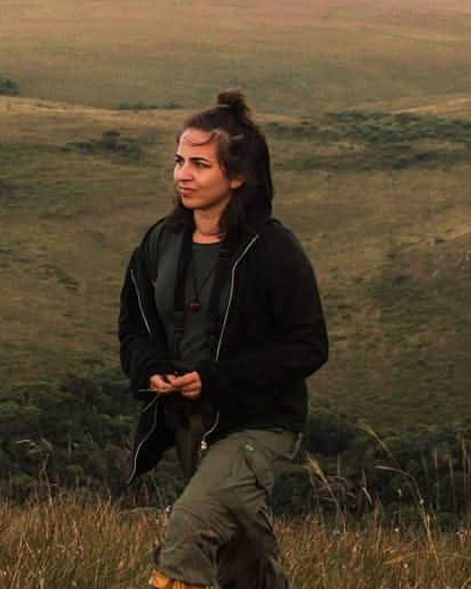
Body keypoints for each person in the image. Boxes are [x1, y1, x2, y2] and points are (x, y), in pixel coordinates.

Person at [118, 89, 328, 589]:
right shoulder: (159, 241)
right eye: (178, 160)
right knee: (241, 561)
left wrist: (217, 377)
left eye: (199, 164)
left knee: (189, 529)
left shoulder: (273, 249)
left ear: (236, 177)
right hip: (192, 423)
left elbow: (308, 344)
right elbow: (134, 325)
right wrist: (149, 368)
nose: (182, 175)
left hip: (259, 423)